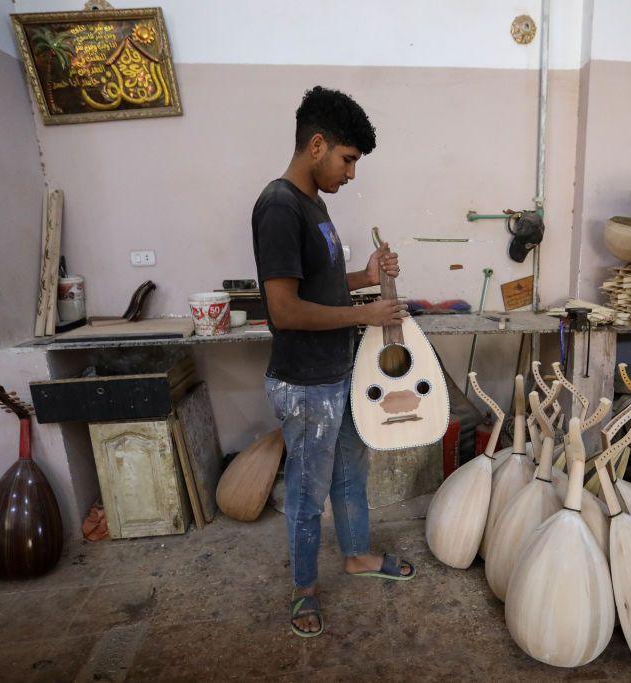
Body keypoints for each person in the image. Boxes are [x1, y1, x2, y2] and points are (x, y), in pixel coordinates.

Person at [252, 86, 416, 639]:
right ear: (316, 145)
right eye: (347, 159)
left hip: (337, 372)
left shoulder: (314, 204)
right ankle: (302, 590)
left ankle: (355, 555)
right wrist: (363, 317)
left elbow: (320, 289)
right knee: (306, 490)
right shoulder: (278, 206)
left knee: (351, 471)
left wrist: (366, 280)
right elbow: (284, 309)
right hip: (304, 384)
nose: (351, 174)